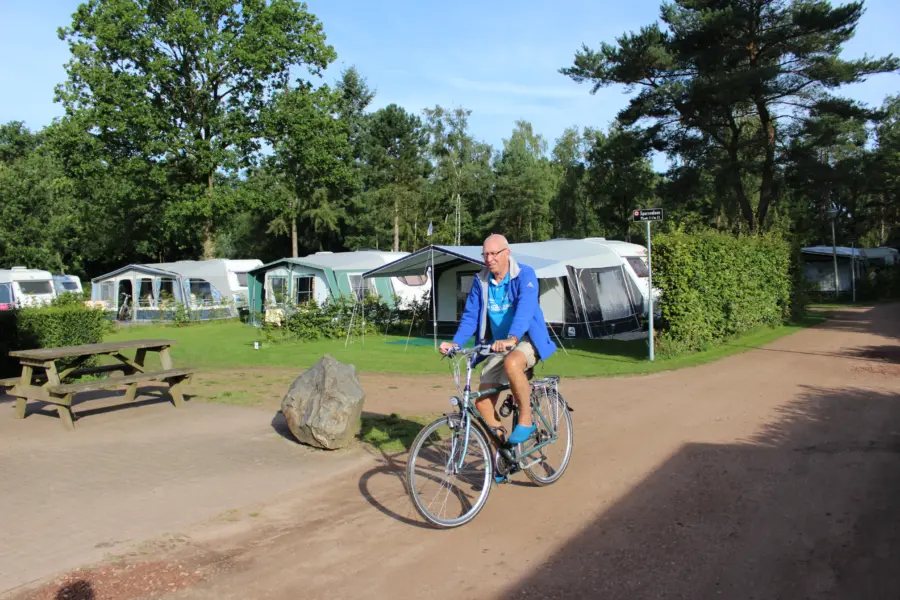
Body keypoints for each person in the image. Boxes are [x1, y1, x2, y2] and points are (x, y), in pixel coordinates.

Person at [439, 234, 557, 449]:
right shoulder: (481, 281)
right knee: (482, 404)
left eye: (494, 253)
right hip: (498, 345)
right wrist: (455, 344)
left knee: (513, 363)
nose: (489, 259)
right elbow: (470, 317)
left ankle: (526, 420)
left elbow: (525, 309)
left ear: (507, 253)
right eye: (485, 255)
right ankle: (504, 455)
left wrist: (512, 337)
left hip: (525, 339)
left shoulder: (524, 274)